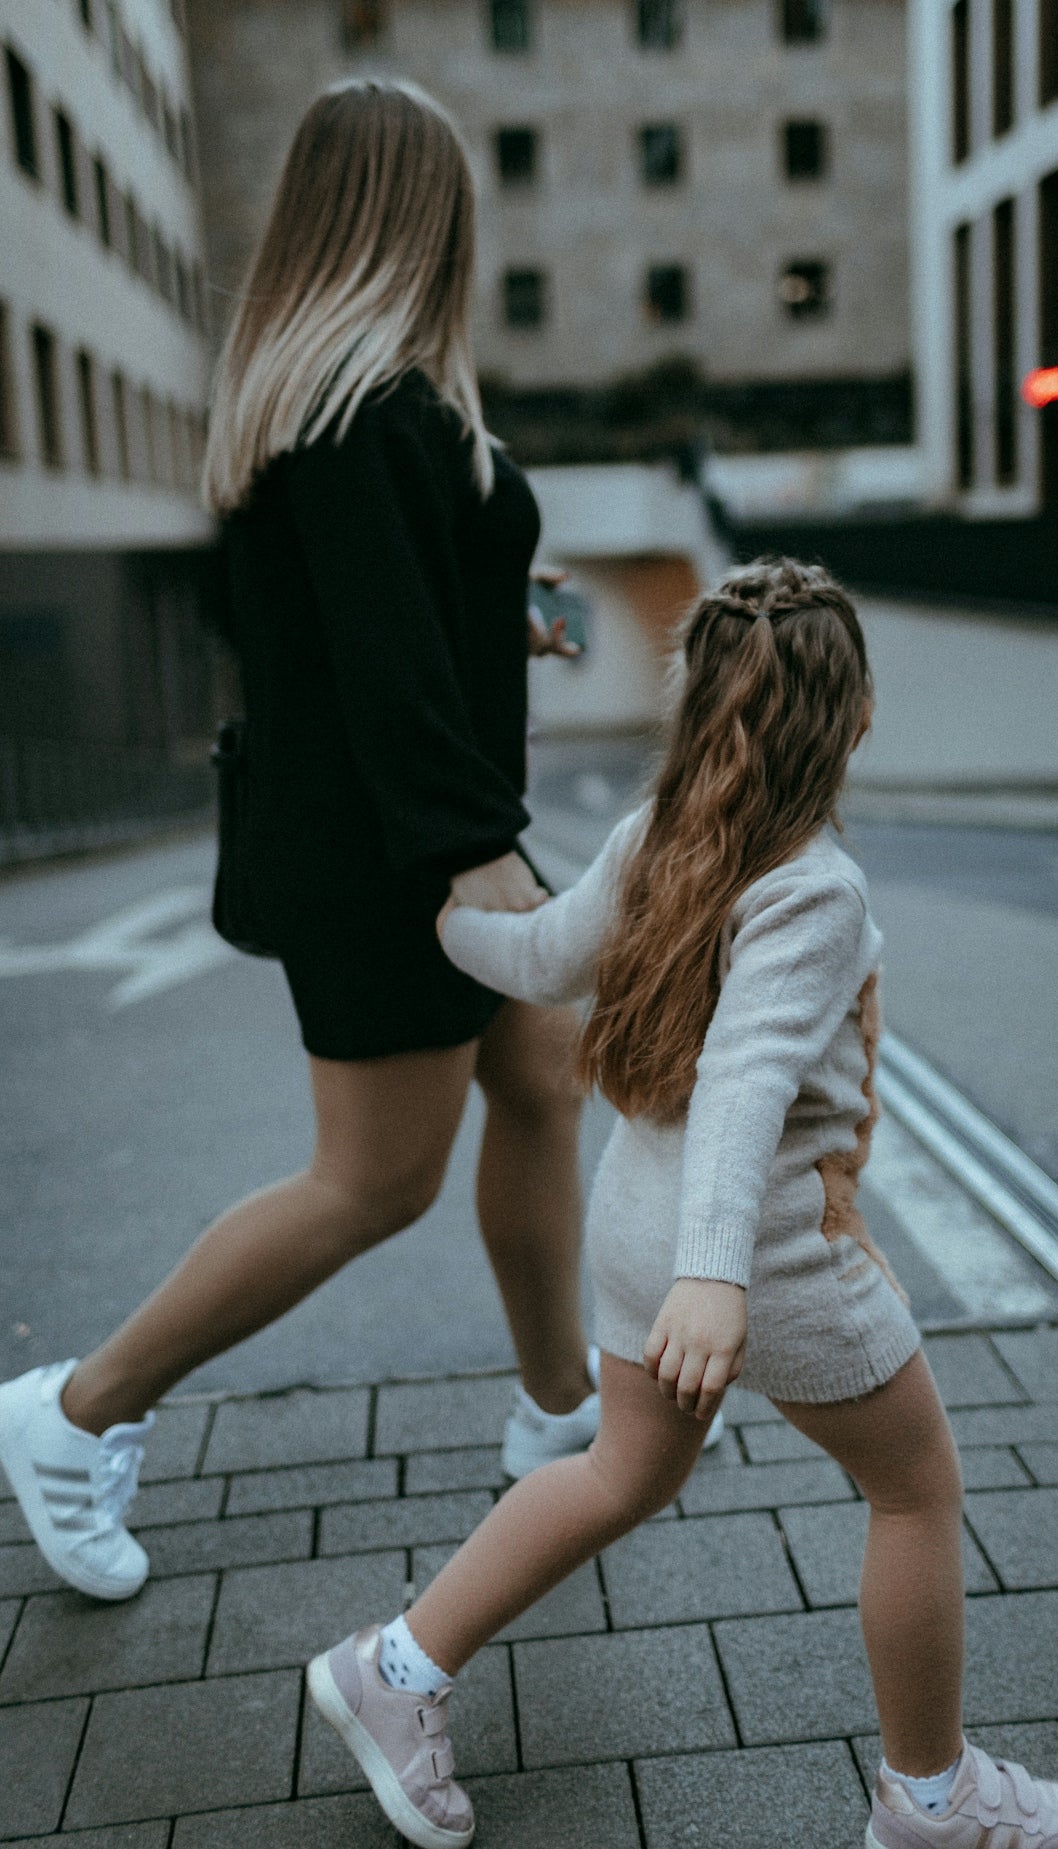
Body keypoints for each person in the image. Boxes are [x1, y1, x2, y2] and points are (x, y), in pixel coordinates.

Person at [305, 561, 1058, 1849]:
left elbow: (540, 954)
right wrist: (719, 1274)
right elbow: (744, 1084)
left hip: (639, 1226)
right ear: (852, 718)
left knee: (622, 1471)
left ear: (695, 709)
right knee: (914, 1491)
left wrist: (438, 919)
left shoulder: (654, 840)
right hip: (764, 1257)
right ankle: (934, 1797)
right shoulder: (814, 888)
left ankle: (393, 1670)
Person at [0, 79, 611, 1602]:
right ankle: (73, 1413)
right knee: (373, 1179)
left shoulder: (362, 408)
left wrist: (508, 618)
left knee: (540, 1070)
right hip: (391, 862)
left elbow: (377, 620)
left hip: (407, 833)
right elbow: (383, 671)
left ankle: (560, 1410)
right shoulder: (349, 417)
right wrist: (476, 855)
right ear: (420, 214)